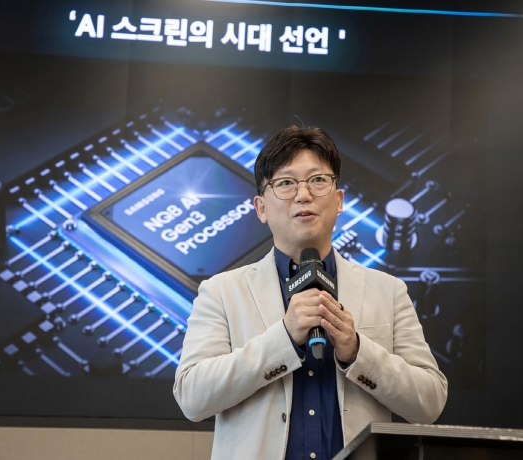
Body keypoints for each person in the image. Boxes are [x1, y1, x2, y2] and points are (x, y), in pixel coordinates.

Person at [174, 125, 447, 460]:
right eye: (286, 183)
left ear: (339, 199)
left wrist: (359, 352)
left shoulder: (388, 291)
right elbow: (192, 397)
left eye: (318, 180)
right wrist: (283, 340)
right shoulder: (221, 291)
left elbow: (430, 402)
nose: (303, 195)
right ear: (261, 208)